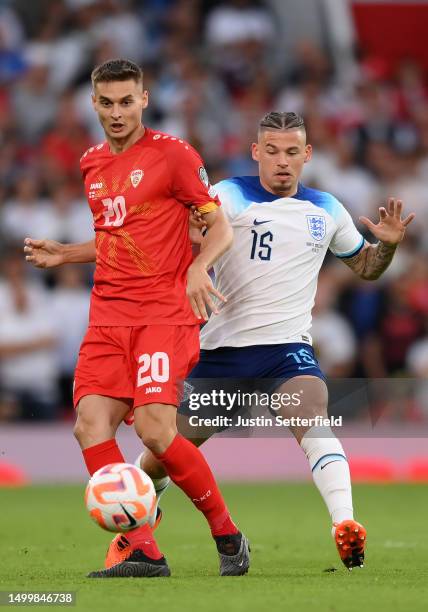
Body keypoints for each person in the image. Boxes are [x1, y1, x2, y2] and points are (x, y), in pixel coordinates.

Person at [136, 111, 415, 570]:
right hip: (219, 355)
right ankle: (143, 514)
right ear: (255, 152)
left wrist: (385, 246)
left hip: (286, 351)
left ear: (307, 155)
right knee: (161, 452)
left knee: (314, 420)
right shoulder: (227, 196)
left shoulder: (326, 209)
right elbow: (184, 235)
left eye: (291, 152)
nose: (281, 162)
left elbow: (365, 267)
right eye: (271, 151)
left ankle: (345, 524)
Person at [24, 58, 250, 579]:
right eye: (107, 102)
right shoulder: (91, 164)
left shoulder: (174, 157)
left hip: (164, 312)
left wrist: (198, 267)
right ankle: (144, 548)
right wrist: (66, 254)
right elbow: (117, 240)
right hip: (108, 314)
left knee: (153, 430)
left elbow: (219, 231)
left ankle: (226, 533)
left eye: (127, 101)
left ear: (144, 99)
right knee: (89, 425)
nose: (117, 111)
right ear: (94, 104)